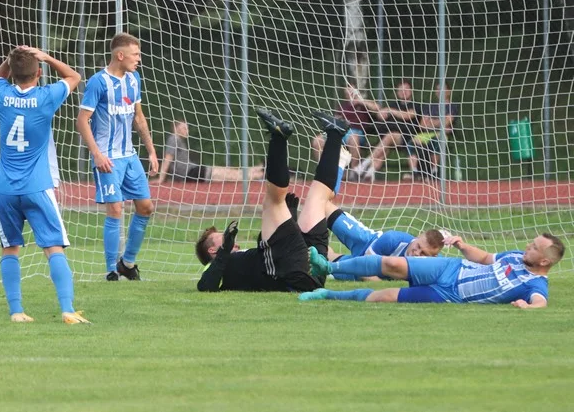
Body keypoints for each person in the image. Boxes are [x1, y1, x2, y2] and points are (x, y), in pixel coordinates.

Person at [0, 46, 88, 324]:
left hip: (6, 189)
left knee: (10, 248)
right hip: (37, 186)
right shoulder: (46, 97)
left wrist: (10, 59)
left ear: (12, 73)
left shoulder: (3, 94)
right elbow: (74, 76)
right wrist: (45, 56)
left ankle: (16, 311)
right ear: (39, 73)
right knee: (53, 247)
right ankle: (67, 309)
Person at [194, 109, 330, 293]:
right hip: (292, 275)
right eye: (220, 237)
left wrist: (289, 220)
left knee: (318, 196)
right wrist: (225, 250)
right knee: (273, 203)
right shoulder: (215, 265)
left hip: (309, 272)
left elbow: (275, 252)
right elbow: (205, 287)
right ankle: (278, 138)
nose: (228, 237)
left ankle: (335, 138)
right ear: (212, 251)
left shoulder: (243, 257)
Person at [76, 32, 158, 281]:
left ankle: (128, 263)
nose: (139, 59)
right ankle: (111, 269)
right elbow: (82, 121)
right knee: (115, 209)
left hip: (130, 156)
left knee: (145, 207)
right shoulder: (98, 82)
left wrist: (151, 151)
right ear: (119, 55)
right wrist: (97, 155)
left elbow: (138, 117)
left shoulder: (134, 80)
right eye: (136, 54)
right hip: (108, 157)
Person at [300, 233, 563, 307]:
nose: (528, 246)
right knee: (392, 264)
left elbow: (540, 302)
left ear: (544, 262)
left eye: (535, 248)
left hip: (449, 295)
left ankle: (326, 294)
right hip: (451, 268)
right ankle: (329, 265)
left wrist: (528, 307)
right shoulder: (515, 256)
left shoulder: (535, 285)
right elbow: (484, 257)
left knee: (385, 296)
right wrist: (461, 244)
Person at [324, 206, 443, 280]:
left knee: (328, 262)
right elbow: (366, 266)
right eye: (418, 246)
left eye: (423, 253)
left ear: (434, 257)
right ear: (417, 237)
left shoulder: (436, 265)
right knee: (325, 208)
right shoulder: (393, 239)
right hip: (365, 242)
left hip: (366, 271)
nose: (417, 253)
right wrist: (380, 285)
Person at [352, 79, 420, 180]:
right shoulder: (393, 105)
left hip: (409, 138)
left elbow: (407, 115)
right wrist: (381, 115)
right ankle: (369, 173)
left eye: (406, 89)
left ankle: (364, 164)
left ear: (411, 90)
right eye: (400, 90)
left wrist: (390, 111)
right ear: (397, 92)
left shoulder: (416, 105)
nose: (403, 92)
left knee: (389, 137)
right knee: (384, 146)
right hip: (391, 138)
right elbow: (381, 114)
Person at [156, 120, 264, 184]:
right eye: (184, 128)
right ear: (175, 128)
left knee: (229, 172)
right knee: (231, 176)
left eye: (187, 128)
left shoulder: (178, 140)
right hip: (191, 174)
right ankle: (261, 173)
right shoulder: (174, 138)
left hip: (195, 170)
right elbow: (167, 159)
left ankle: (259, 169)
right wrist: (161, 179)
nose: (186, 131)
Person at [310, 83, 381, 177]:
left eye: (351, 90)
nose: (349, 92)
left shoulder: (363, 104)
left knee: (353, 138)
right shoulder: (343, 106)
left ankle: (353, 173)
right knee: (317, 141)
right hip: (340, 132)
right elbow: (336, 120)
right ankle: (324, 171)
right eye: (347, 90)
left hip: (356, 132)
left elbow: (377, 108)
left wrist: (360, 101)